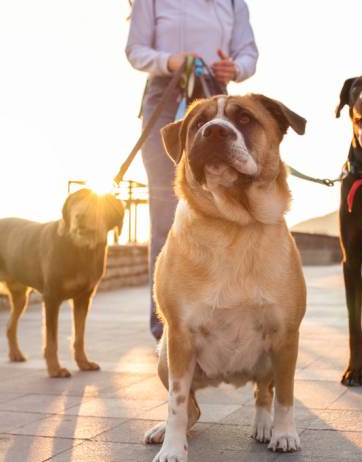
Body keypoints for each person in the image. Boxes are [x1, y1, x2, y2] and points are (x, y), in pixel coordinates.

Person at [126, 0, 259, 341]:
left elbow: (248, 53)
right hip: (166, 96)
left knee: (224, 208)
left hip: (217, 100)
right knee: (165, 211)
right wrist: (170, 60)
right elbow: (135, 50)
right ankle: (166, 324)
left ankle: (221, 317)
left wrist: (235, 68)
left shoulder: (233, 3)